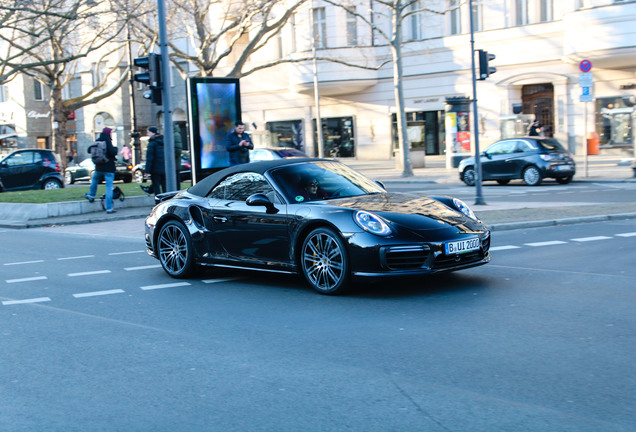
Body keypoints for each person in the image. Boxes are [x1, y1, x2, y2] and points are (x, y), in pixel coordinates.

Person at [84, 127, 118, 213]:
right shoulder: (107, 140)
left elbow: (89, 150)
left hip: (98, 167)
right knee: (109, 187)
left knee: (94, 180)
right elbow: (112, 152)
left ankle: (91, 195)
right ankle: (109, 208)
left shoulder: (97, 140)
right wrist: (115, 149)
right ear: (108, 133)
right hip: (108, 168)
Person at [144, 126, 166, 195]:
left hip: (155, 169)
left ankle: (158, 203)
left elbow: (149, 158)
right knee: (165, 187)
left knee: (156, 188)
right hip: (164, 168)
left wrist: (147, 170)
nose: (147, 134)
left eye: (148, 132)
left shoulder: (152, 144)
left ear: (153, 133)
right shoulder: (164, 142)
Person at [173, 124, 183, 190]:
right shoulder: (175, 134)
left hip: (175, 162)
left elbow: (178, 149)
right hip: (175, 162)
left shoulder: (175, 135)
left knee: (176, 180)